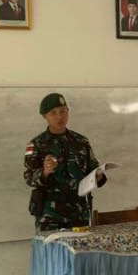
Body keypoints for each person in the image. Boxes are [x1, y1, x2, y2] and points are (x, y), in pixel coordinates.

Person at [24, 93, 106, 231]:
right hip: (50, 215)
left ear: (68, 111)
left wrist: (99, 176)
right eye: (53, 113)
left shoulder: (81, 141)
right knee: (53, 246)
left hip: (79, 212)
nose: (59, 117)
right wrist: (45, 172)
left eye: (63, 111)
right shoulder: (36, 144)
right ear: (44, 116)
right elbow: (29, 178)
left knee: (81, 245)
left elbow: (92, 170)